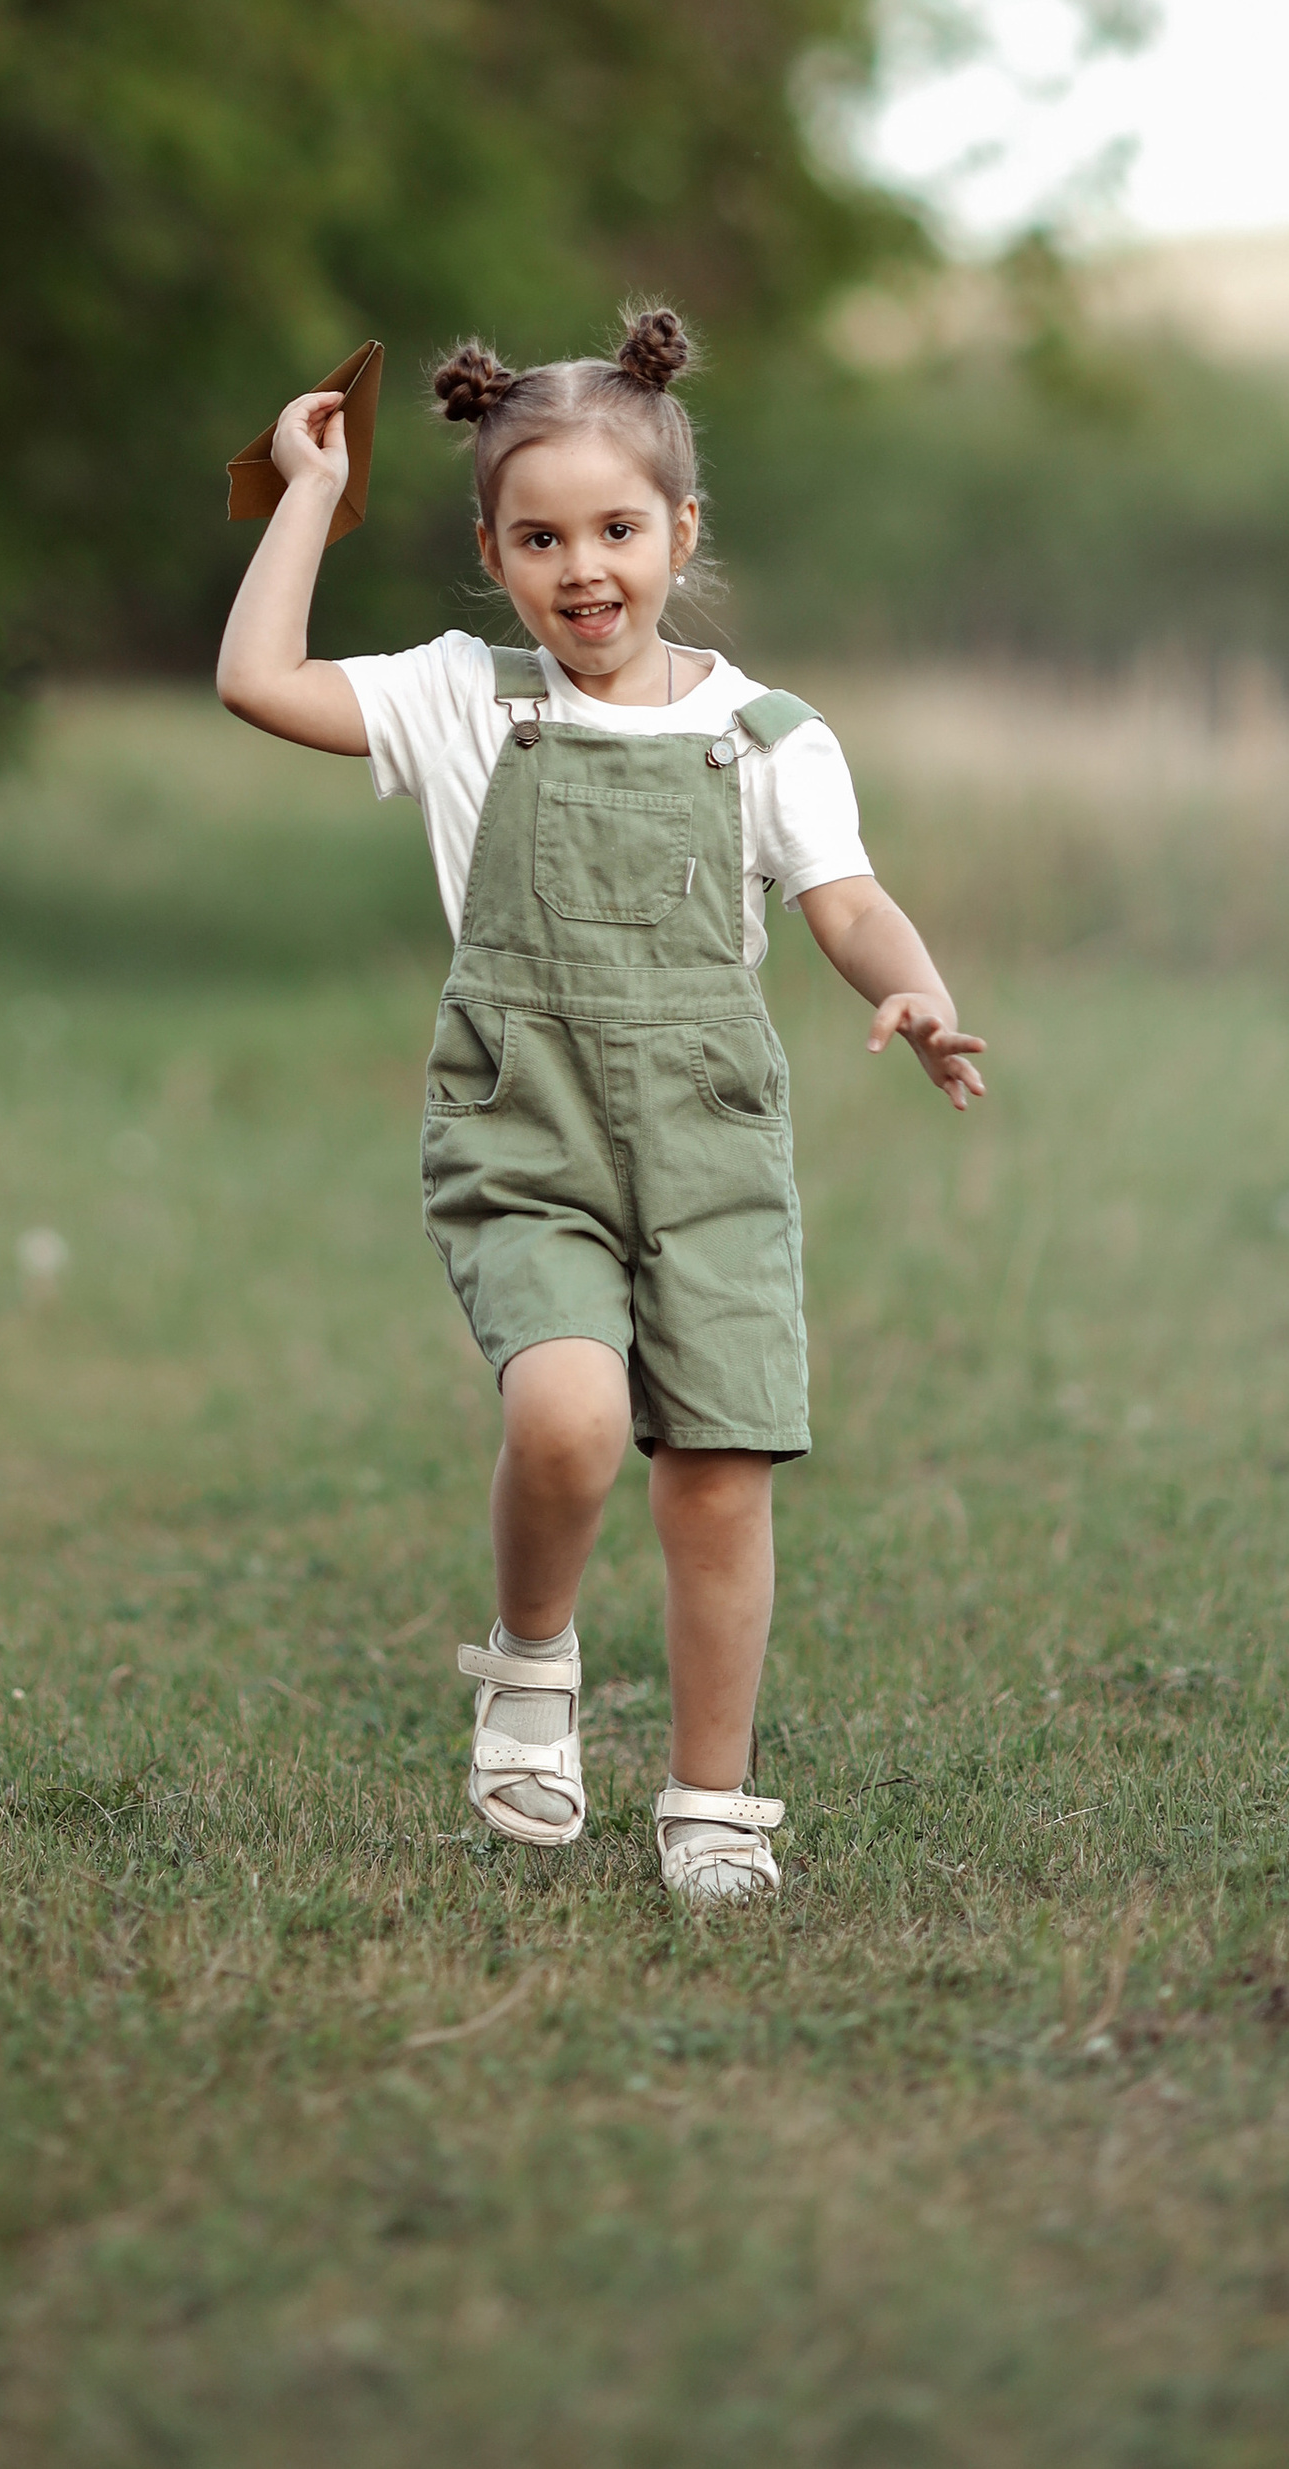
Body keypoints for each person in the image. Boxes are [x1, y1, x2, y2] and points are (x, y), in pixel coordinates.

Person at [214, 310, 984, 1904]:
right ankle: (528, 1659)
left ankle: (709, 1801)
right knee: (562, 1418)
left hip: (708, 1151)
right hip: (527, 1138)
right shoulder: (463, 700)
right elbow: (254, 680)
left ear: (681, 532)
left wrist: (907, 987)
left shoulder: (766, 734)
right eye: (540, 535)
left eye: (618, 530)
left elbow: (844, 900)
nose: (584, 570)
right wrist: (304, 487)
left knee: (716, 1472)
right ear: (488, 547)